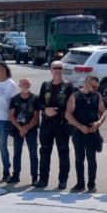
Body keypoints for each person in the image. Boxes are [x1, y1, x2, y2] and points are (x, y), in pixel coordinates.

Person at [36, 61, 75, 190]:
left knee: (63, 153)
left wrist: (56, 111)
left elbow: (70, 104)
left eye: (60, 69)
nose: (57, 71)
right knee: (44, 152)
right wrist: (45, 110)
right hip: (47, 124)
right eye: (55, 68)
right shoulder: (45, 85)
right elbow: (40, 102)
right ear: (51, 70)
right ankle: (43, 179)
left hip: (61, 124)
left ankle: (63, 180)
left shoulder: (69, 86)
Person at [66, 75, 106, 192]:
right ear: (86, 82)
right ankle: (80, 183)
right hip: (78, 132)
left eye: (97, 87)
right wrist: (79, 126)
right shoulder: (75, 96)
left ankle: (91, 184)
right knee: (79, 159)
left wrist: (98, 123)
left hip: (92, 132)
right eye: (93, 86)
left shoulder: (97, 96)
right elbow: (68, 114)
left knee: (91, 159)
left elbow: (103, 113)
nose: (95, 89)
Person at [8, 77, 39, 184]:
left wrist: (26, 128)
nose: (25, 85)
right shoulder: (14, 99)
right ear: (19, 85)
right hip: (18, 129)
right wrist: (20, 128)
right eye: (23, 84)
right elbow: (11, 116)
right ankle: (15, 175)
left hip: (31, 129)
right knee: (17, 153)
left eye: (27, 83)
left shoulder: (35, 98)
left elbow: (36, 117)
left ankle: (35, 177)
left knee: (33, 153)